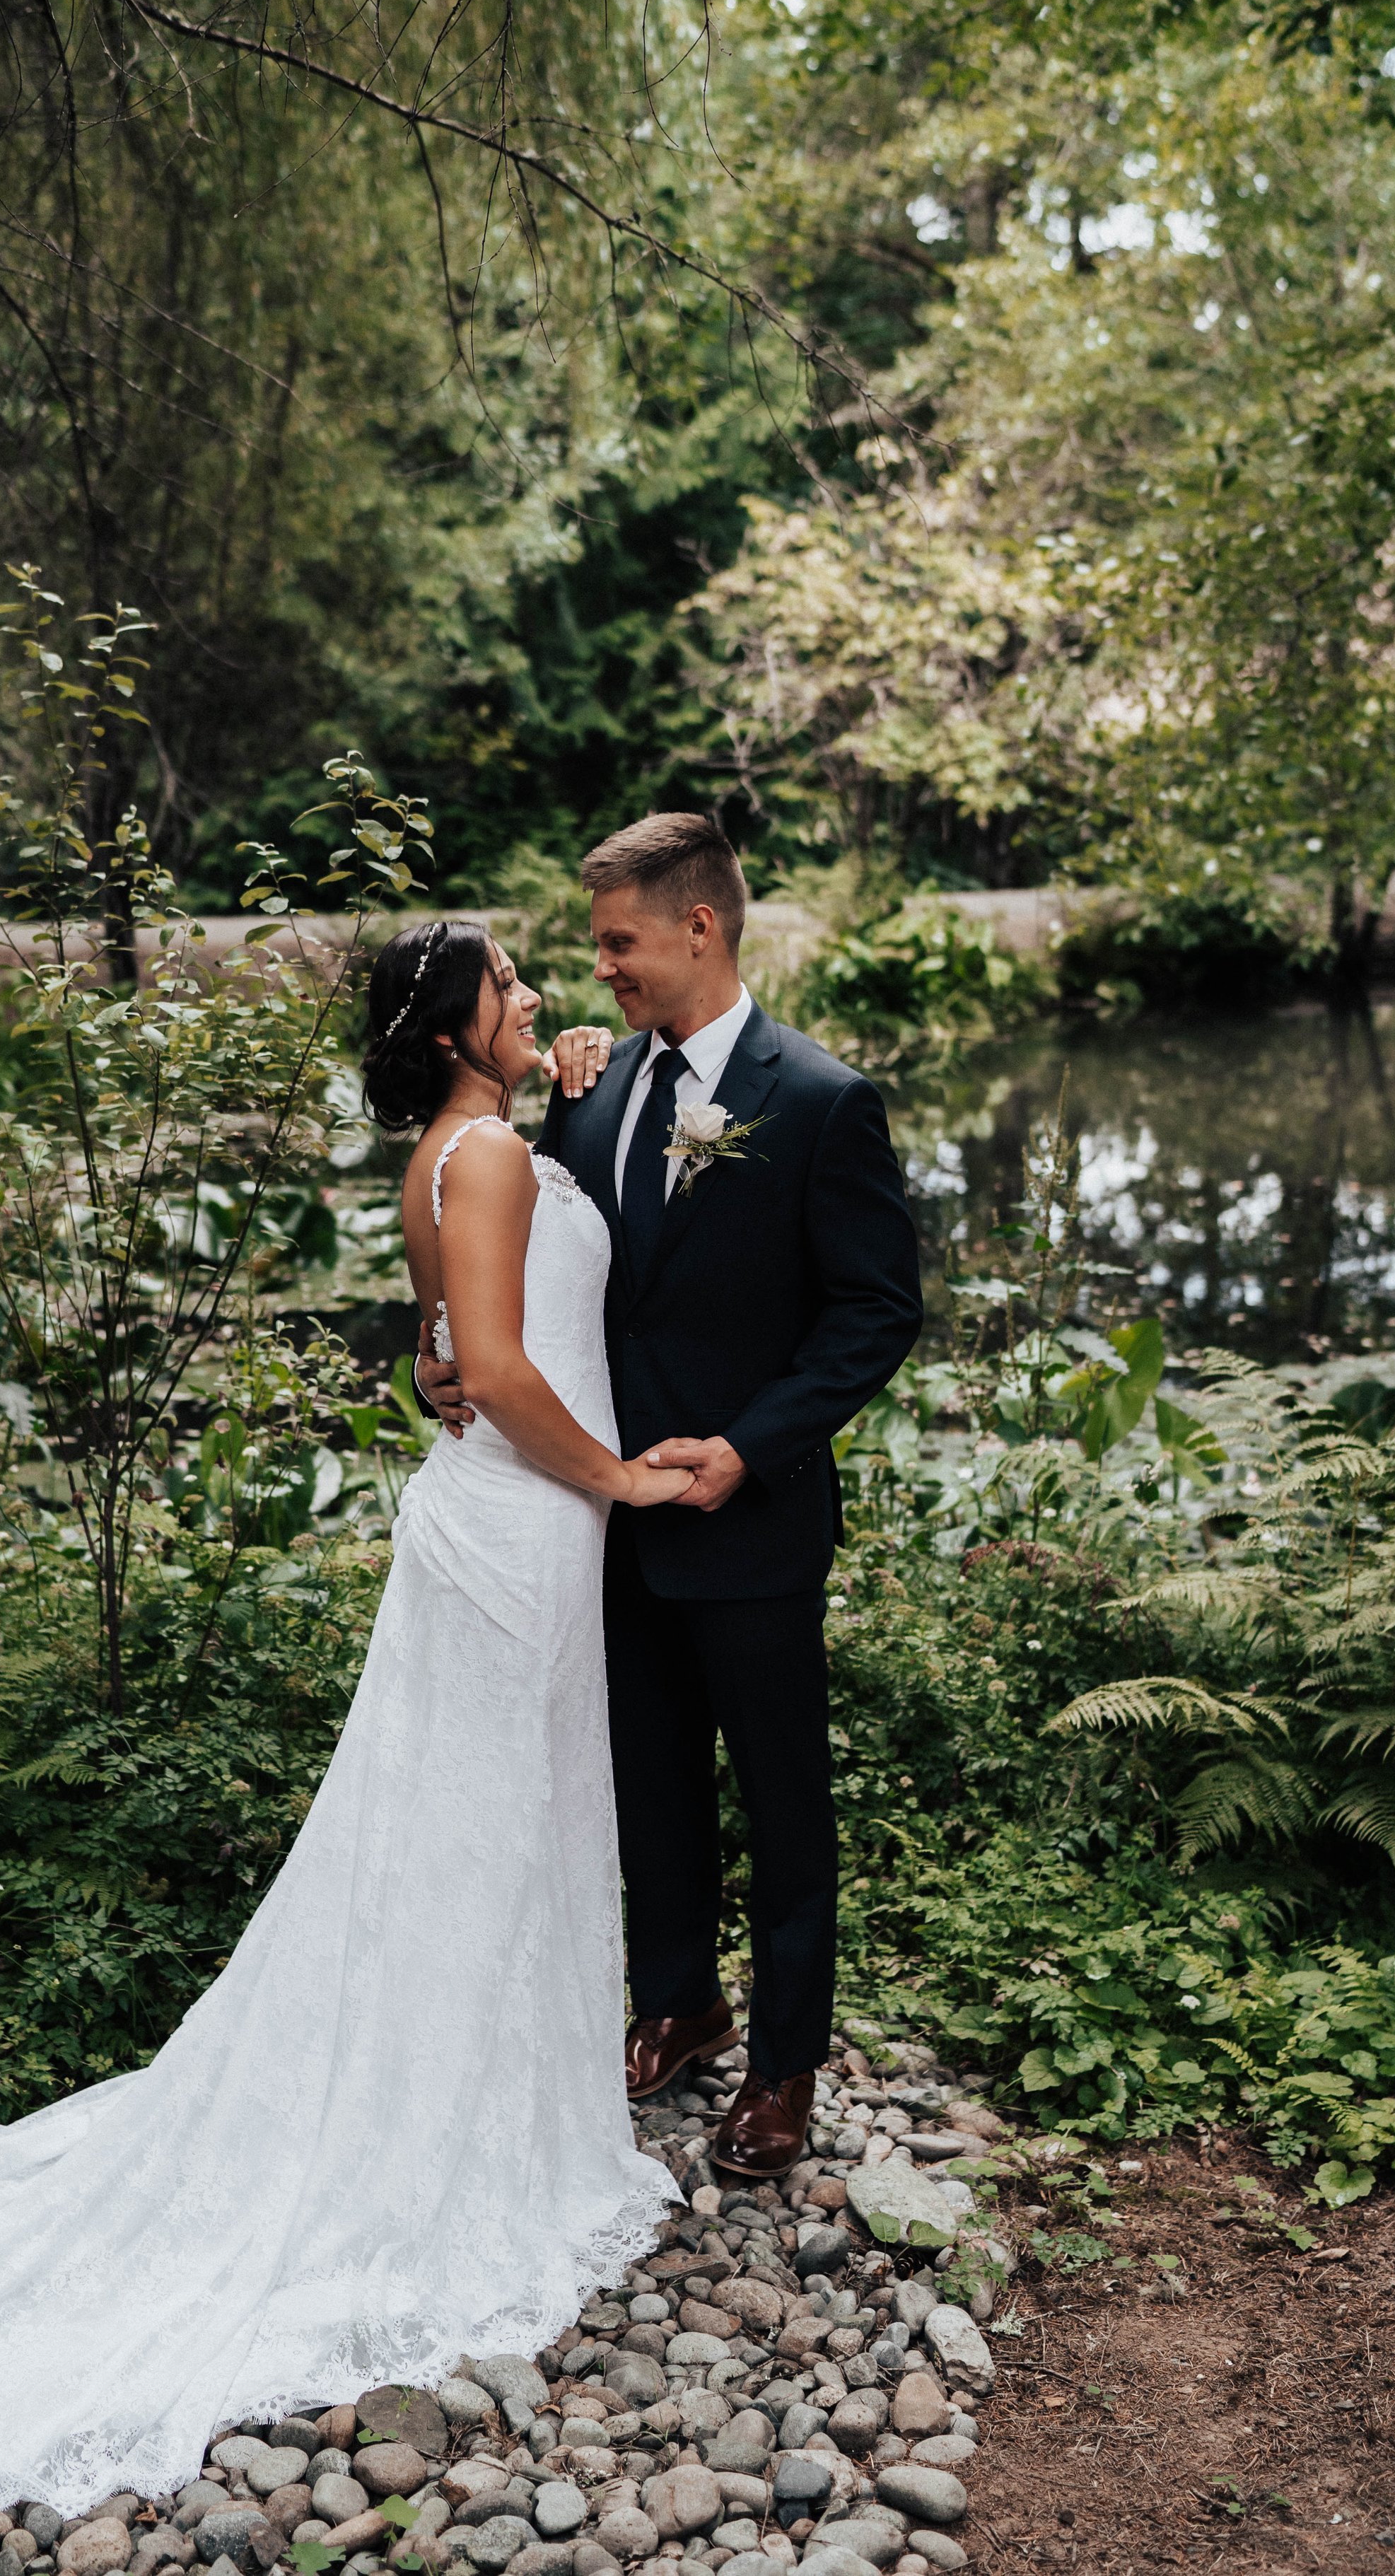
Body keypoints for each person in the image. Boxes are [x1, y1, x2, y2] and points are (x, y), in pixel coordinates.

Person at [0, 921, 692, 2511]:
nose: (539, 997)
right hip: (520, 1531)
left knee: (477, 1840)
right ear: (450, 1033)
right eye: (511, 991)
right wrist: (622, 1474)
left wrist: (565, 1106)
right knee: (486, 1837)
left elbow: (434, 1350)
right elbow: (484, 1366)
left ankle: (474, 2093)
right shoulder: (484, 1160)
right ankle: (446, 2139)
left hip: (494, 1529)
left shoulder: (461, 1151)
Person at [417, 816, 922, 2177]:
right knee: (646, 1783)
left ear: (699, 926)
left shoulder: (820, 1101)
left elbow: (875, 1313)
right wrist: (446, 1358)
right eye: (592, 947)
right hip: (601, 1520)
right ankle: (683, 2002)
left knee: (781, 1796)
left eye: (621, 943)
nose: (605, 970)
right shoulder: (587, 1090)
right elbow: (518, 1263)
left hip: (746, 1520)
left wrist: (750, 1447)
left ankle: (785, 2067)